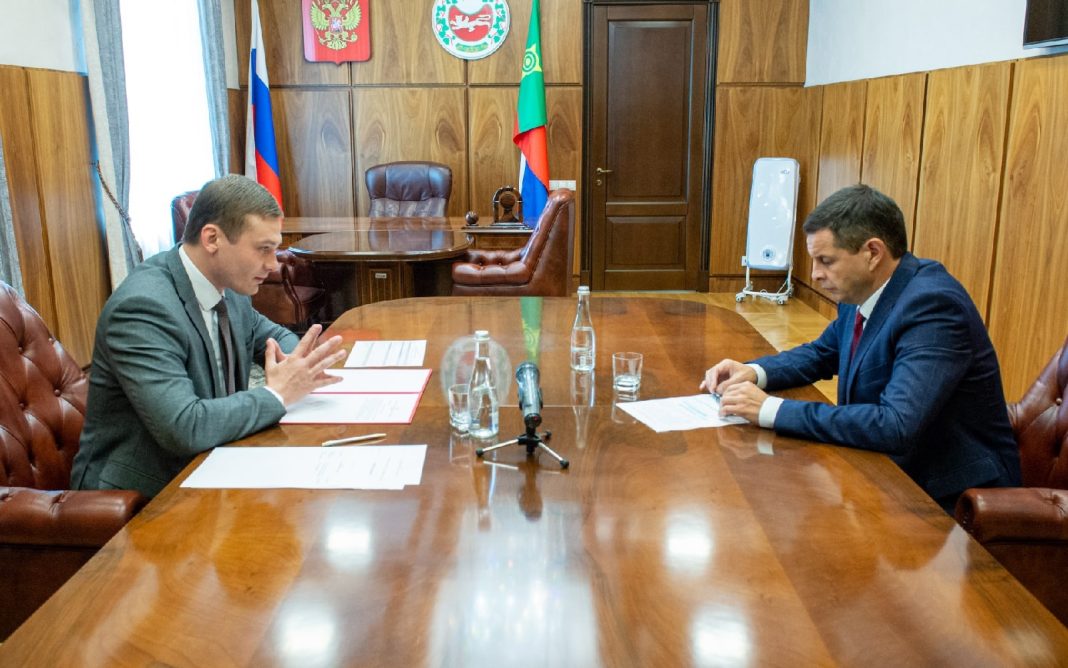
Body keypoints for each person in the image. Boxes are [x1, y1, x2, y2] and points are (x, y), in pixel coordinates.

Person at [701, 184, 1020, 513]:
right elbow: (823, 353)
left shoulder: (933, 306)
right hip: (887, 473)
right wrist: (755, 371)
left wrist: (771, 410)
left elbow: (895, 425)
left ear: (873, 253)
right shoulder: (862, 292)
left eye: (826, 261)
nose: (815, 274)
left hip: (953, 499)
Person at [72, 174, 346, 497]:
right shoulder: (142, 308)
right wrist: (278, 394)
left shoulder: (227, 284)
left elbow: (268, 335)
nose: (273, 265)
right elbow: (184, 426)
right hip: (139, 497)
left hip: (213, 463)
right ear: (212, 238)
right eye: (263, 250)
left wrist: (300, 362)